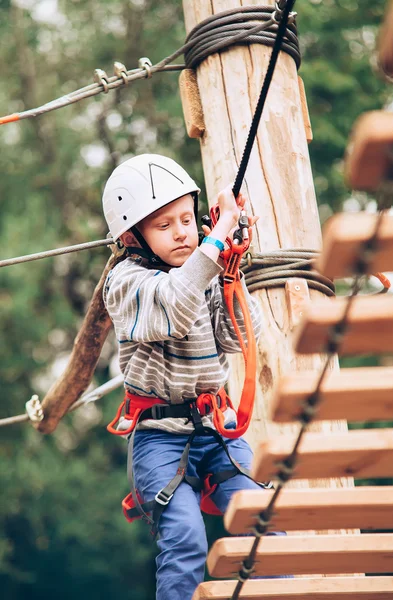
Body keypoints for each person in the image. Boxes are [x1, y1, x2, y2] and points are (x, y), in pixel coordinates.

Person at [102, 154, 283, 600]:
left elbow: (237, 334)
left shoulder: (203, 270)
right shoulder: (127, 282)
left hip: (214, 429)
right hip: (159, 436)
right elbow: (174, 306)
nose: (182, 231)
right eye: (164, 225)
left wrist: (232, 269)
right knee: (185, 540)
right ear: (132, 236)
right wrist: (214, 245)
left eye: (187, 218)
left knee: (261, 526)